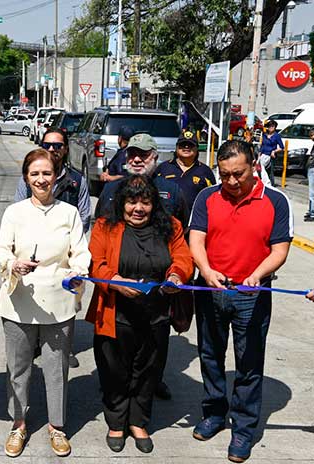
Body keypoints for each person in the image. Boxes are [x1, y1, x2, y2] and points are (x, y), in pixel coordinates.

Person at [189, 140, 292, 463]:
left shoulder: (275, 201)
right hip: (211, 291)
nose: (232, 182)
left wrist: (257, 274)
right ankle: (214, 413)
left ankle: (244, 428)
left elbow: (280, 249)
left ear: (253, 167)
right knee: (210, 355)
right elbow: (197, 237)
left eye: (238, 174)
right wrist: (205, 270)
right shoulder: (207, 196)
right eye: (225, 174)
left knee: (248, 363)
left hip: (252, 295)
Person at [86, 174, 193, 454]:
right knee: (114, 371)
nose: (138, 208)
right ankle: (116, 422)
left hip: (156, 314)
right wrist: (117, 282)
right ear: (122, 203)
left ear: (154, 204)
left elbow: (183, 257)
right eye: (132, 201)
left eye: (145, 202)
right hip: (115, 313)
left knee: (148, 371)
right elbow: (96, 264)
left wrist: (175, 275)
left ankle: (139, 421)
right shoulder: (104, 227)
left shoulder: (171, 226)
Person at [0, 148, 91, 458]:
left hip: (59, 302)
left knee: (56, 369)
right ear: (26, 177)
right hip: (20, 300)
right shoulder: (15, 212)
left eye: (46, 173)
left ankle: (56, 426)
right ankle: (19, 423)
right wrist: (14, 264)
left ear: (56, 176)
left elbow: (81, 252)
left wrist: (79, 272)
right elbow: (1, 250)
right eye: (35, 174)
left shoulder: (69, 213)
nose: (41, 179)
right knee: (18, 368)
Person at [96, 133, 189, 401]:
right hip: (118, 293)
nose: (137, 159)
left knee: (154, 349)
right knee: (116, 356)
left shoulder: (171, 190)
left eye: (144, 154)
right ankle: (116, 391)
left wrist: (175, 273)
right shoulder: (112, 190)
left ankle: (153, 381)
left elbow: (179, 233)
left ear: (155, 158)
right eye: (132, 154)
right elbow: (102, 233)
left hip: (158, 295)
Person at [14, 128, 92, 234]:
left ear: (66, 149)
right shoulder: (27, 181)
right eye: (47, 145)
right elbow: (18, 215)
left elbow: (84, 217)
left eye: (57, 146)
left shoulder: (77, 181)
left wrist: (69, 241)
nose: (51, 149)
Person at [155, 130, 216, 211]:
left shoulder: (205, 171)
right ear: (176, 148)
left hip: (194, 220)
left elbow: (213, 197)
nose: (186, 147)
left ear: (197, 148)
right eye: (183, 145)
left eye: (190, 145)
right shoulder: (163, 168)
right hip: (166, 219)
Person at [259, 119, 284, 185]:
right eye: (270, 126)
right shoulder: (264, 134)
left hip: (271, 156)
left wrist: (274, 151)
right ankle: (262, 183)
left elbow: (282, 147)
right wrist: (259, 153)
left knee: (270, 172)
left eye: (273, 126)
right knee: (260, 169)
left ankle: (270, 185)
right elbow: (262, 145)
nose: (271, 128)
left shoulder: (277, 136)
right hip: (263, 154)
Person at [304, 128, 314, 222]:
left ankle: (313, 213)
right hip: (311, 169)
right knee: (311, 192)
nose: (311, 137)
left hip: (313, 169)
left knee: (312, 192)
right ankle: (311, 210)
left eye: (312, 135)